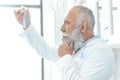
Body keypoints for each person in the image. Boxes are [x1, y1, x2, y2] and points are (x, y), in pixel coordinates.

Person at [14, 5, 115, 80]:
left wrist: (66, 55)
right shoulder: (77, 49)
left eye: (67, 23)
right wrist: (27, 25)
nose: (61, 28)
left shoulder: (101, 51)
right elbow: (46, 50)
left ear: (83, 27)